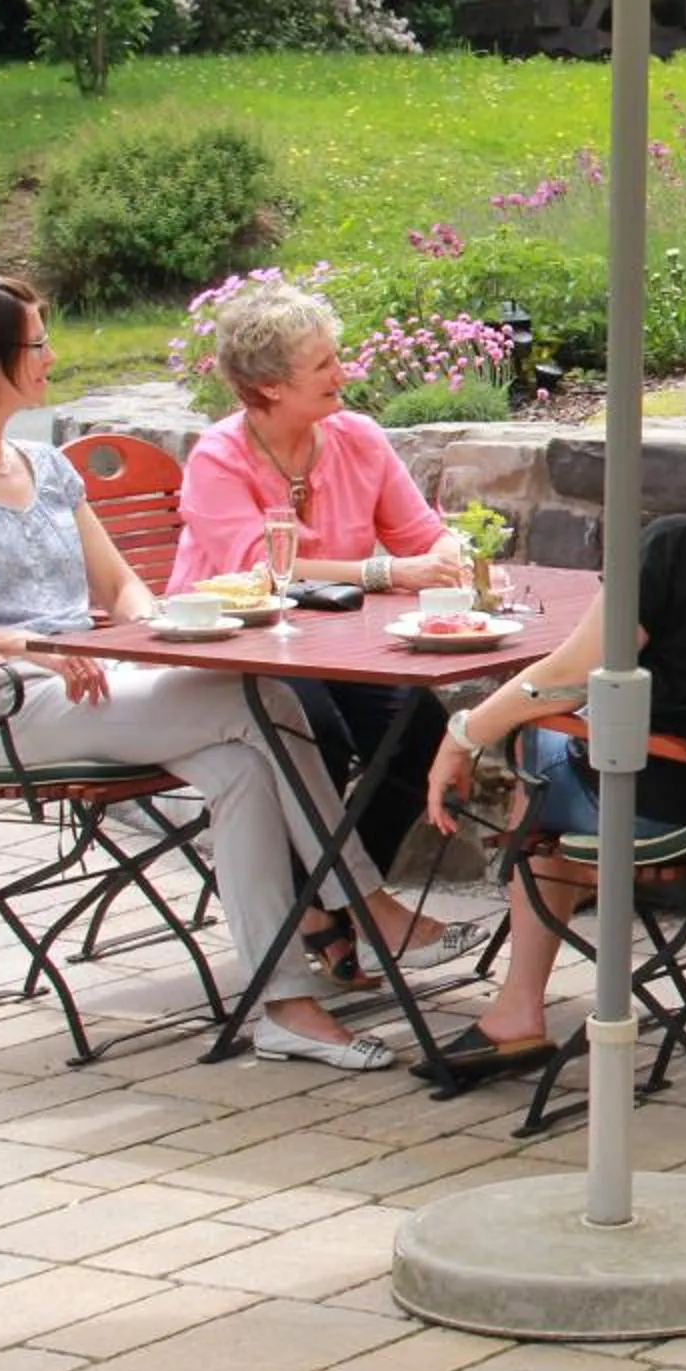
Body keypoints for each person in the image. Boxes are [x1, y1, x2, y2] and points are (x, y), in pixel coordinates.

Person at [0, 274, 449, 1072]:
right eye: (36, 343)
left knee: (243, 767)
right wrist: (25, 645)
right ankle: (367, 904)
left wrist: (160, 628)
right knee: (262, 698)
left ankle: (285, 1008)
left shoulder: (45, 466)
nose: (51, 355)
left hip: (94, 684)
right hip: (1, 703)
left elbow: (124, 590)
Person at [420, 338, 686, 1080]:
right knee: (568, 762)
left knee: (539, 752)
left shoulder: (677, 549)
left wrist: (466, 731)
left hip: (672, 805)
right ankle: (552, 957)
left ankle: (519, 1010)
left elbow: (568, 676)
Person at [170, 279, 478, 979]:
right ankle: (347, 913)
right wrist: (385, 571)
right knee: (316, 732)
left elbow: (421, 534)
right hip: (239, 649)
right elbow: (258, 568)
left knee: (420, 729)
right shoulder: (219, 456)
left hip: (339, 648)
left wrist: (450, 554)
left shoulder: (356, 437)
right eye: (324, 365)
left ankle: (321, 910)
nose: (345, 372)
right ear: (271, 387)